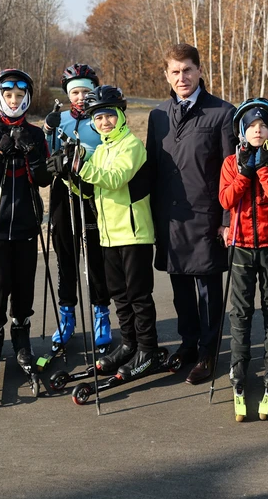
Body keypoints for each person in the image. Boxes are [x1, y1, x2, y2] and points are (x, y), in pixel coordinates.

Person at [146, 43, 237, 384]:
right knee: (180, 287)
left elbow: (231, 172)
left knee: (207, 291)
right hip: (170, 219)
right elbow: (152, 168)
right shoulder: (157, 116)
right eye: (175, 71)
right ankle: (188, 344)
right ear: (166, 75)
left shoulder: (222, 113)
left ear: (199, 70)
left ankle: (209, 352)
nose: (181, 77)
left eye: (187, 70)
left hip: (207, 218)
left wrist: (228, 220)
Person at [61, 85, 158, 377]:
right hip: (108, 235)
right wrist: (69, 177)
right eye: (99, 118)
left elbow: (116, 179)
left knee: (138, 295)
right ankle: (129, 344)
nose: (104, 122)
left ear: (121, 115)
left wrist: (80, 168)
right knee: (119, 294)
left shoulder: (131, 146)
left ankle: (147, 349)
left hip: (134, 234)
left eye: (109, 116)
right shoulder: (101, 150)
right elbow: (91, 190)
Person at [0, 69, 51, 376]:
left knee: (24, 283)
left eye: (19, 95)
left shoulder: (37, 134)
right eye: (7, 95)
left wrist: (34, 155)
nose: (13, 101)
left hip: (27, 222)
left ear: (26, 98)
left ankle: (22, 339)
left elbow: (43, 180)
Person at [218, 98, 268, 418]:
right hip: (241, 246)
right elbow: (226, 199)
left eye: (263, 126)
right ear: (242, 131)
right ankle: (238, 368)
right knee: (241, 312)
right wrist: (245, 171)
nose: (258, 131)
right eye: (252, 127)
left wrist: (261, 168)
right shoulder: (231, 163)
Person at [42, 64, 112, 355]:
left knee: (95, 257)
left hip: (93, 191)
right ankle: (67, 316)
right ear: (67, 94)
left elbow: (111, 150)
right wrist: (47, 132)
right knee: (65, 256)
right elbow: (46, 159)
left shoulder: (101, 118)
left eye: (86, 91)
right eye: (75, 92)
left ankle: (101, 315)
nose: (81, 96)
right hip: (63, 191)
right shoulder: (58, 119)